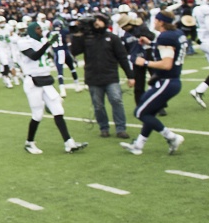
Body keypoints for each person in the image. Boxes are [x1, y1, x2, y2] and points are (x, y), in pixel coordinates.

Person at [120, 10, 187, 155]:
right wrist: (151, 44)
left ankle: (172, 137)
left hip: (167, 81)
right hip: (171, 81)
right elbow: (170, 51)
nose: (154, 23)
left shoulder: (166, 37)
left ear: (161, 22)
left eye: (156, 20)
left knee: (140, 112)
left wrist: (144, 62)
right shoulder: (177, 34)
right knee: (149, 112)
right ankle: (138, 145)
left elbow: (166, 64)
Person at [17, 22, 87, 155]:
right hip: (33, 81)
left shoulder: (43, 40)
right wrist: (48, 44)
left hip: (45, 80)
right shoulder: (24, 42)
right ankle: (29, 142)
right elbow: (34, 56)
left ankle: (69, 143)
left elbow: (47, 56)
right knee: (37, 115)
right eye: (38, 28)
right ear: (32, 30)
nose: (40, 30)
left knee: (58, 110)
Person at [69, 13, 135, 139]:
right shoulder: (86, 38)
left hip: (111, 76)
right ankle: (104, 127)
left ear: (105, 22)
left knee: (116, 100)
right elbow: (75, 51)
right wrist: (77, 35)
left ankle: (121, 128)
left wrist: (130, 76)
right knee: (98, 105)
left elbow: (122, 57)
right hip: (93, 77)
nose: (96, 22)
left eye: (99, 20)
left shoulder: (112, 38)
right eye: (95, 20)